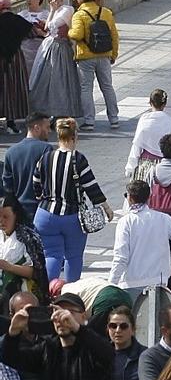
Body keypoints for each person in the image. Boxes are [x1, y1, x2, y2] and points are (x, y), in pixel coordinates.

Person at [29, 116, 108, 284]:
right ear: (74, 136)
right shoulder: (78, 159)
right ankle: (70, 293)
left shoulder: (46, 157)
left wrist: (39, 197)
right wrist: (106, 208)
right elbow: (91, 187)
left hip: (45, 214)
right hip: (72, 216)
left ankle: (48, 293)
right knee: (73, 257)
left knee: (51, 254)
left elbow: (36, 182)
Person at [68, 0, 119, 127]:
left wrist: (69, 31)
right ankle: (114, 118)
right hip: (104, 54)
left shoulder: (79, 15)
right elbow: (114, 35)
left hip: (86, 56)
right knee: (107, 86)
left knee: (86, 88)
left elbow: (77, 34)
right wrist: (113, 54)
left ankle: (89, 121)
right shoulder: (106, 12)